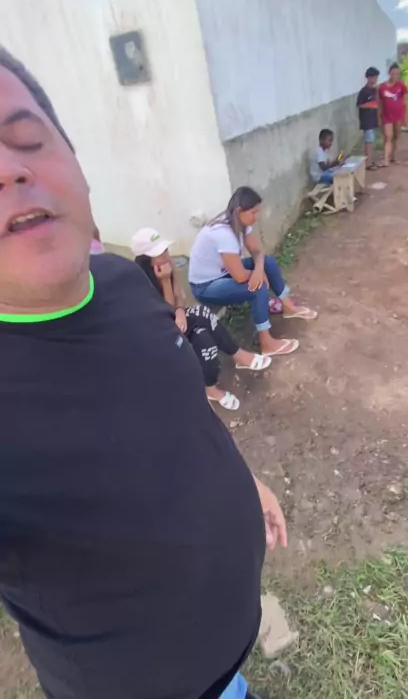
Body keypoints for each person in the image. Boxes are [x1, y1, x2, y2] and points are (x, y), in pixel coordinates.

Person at [0, 46, 286, 699]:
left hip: (225, 664)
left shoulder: (121, 282)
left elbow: (183, 409)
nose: (9, 169)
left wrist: (246, 482)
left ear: (78, 166)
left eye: (27, 139)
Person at [132, 227, 271, 411]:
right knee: (201, 314)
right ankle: (237, 356)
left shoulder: (167, 266)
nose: (165, 256)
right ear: (145, 260)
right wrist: (165, 281)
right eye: (159, 254)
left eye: (165, 250)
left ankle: (210, 388)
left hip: (175, 320)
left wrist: (180, 311)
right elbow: (165, 315)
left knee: (204, 337)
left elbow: (178, 298)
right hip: (161, 336)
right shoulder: (139, 284)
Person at [189, 186, 317, 358]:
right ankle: (267, 343)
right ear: (239, 211)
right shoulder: (223, 234)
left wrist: (259, 269)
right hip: (206, 286)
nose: (256, 217)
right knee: (257, 287)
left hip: (223, 273)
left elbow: (257, 251)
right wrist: (256, 274)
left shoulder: (239, 222)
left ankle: (288, 307)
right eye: (253, 213)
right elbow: (240, 276)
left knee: (268, 262)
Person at [378, 62, 408, 166]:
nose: (395, 76)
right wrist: (379, 117)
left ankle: (393, 157)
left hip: (398, 116)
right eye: (393, 73)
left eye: (397, 74)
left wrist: (406, 117)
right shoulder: (382, 87)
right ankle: (386, 159)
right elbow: (380, 103)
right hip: (387, 116)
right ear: (389, 73)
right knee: (388, 137)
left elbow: (405, 102)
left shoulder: (401, 86)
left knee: (396, 136)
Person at [356, 67, 380, 170]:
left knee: (371, 141)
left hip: (373, 119)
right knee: (368, 141)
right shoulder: (363, 91)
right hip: (366, 120)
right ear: (368, 78)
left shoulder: (375, 90)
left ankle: (370, 160)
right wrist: (371, 105)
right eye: (373, 77)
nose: (375, 79)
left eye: (376, 77)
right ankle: (368, 163)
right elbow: (359, 105)